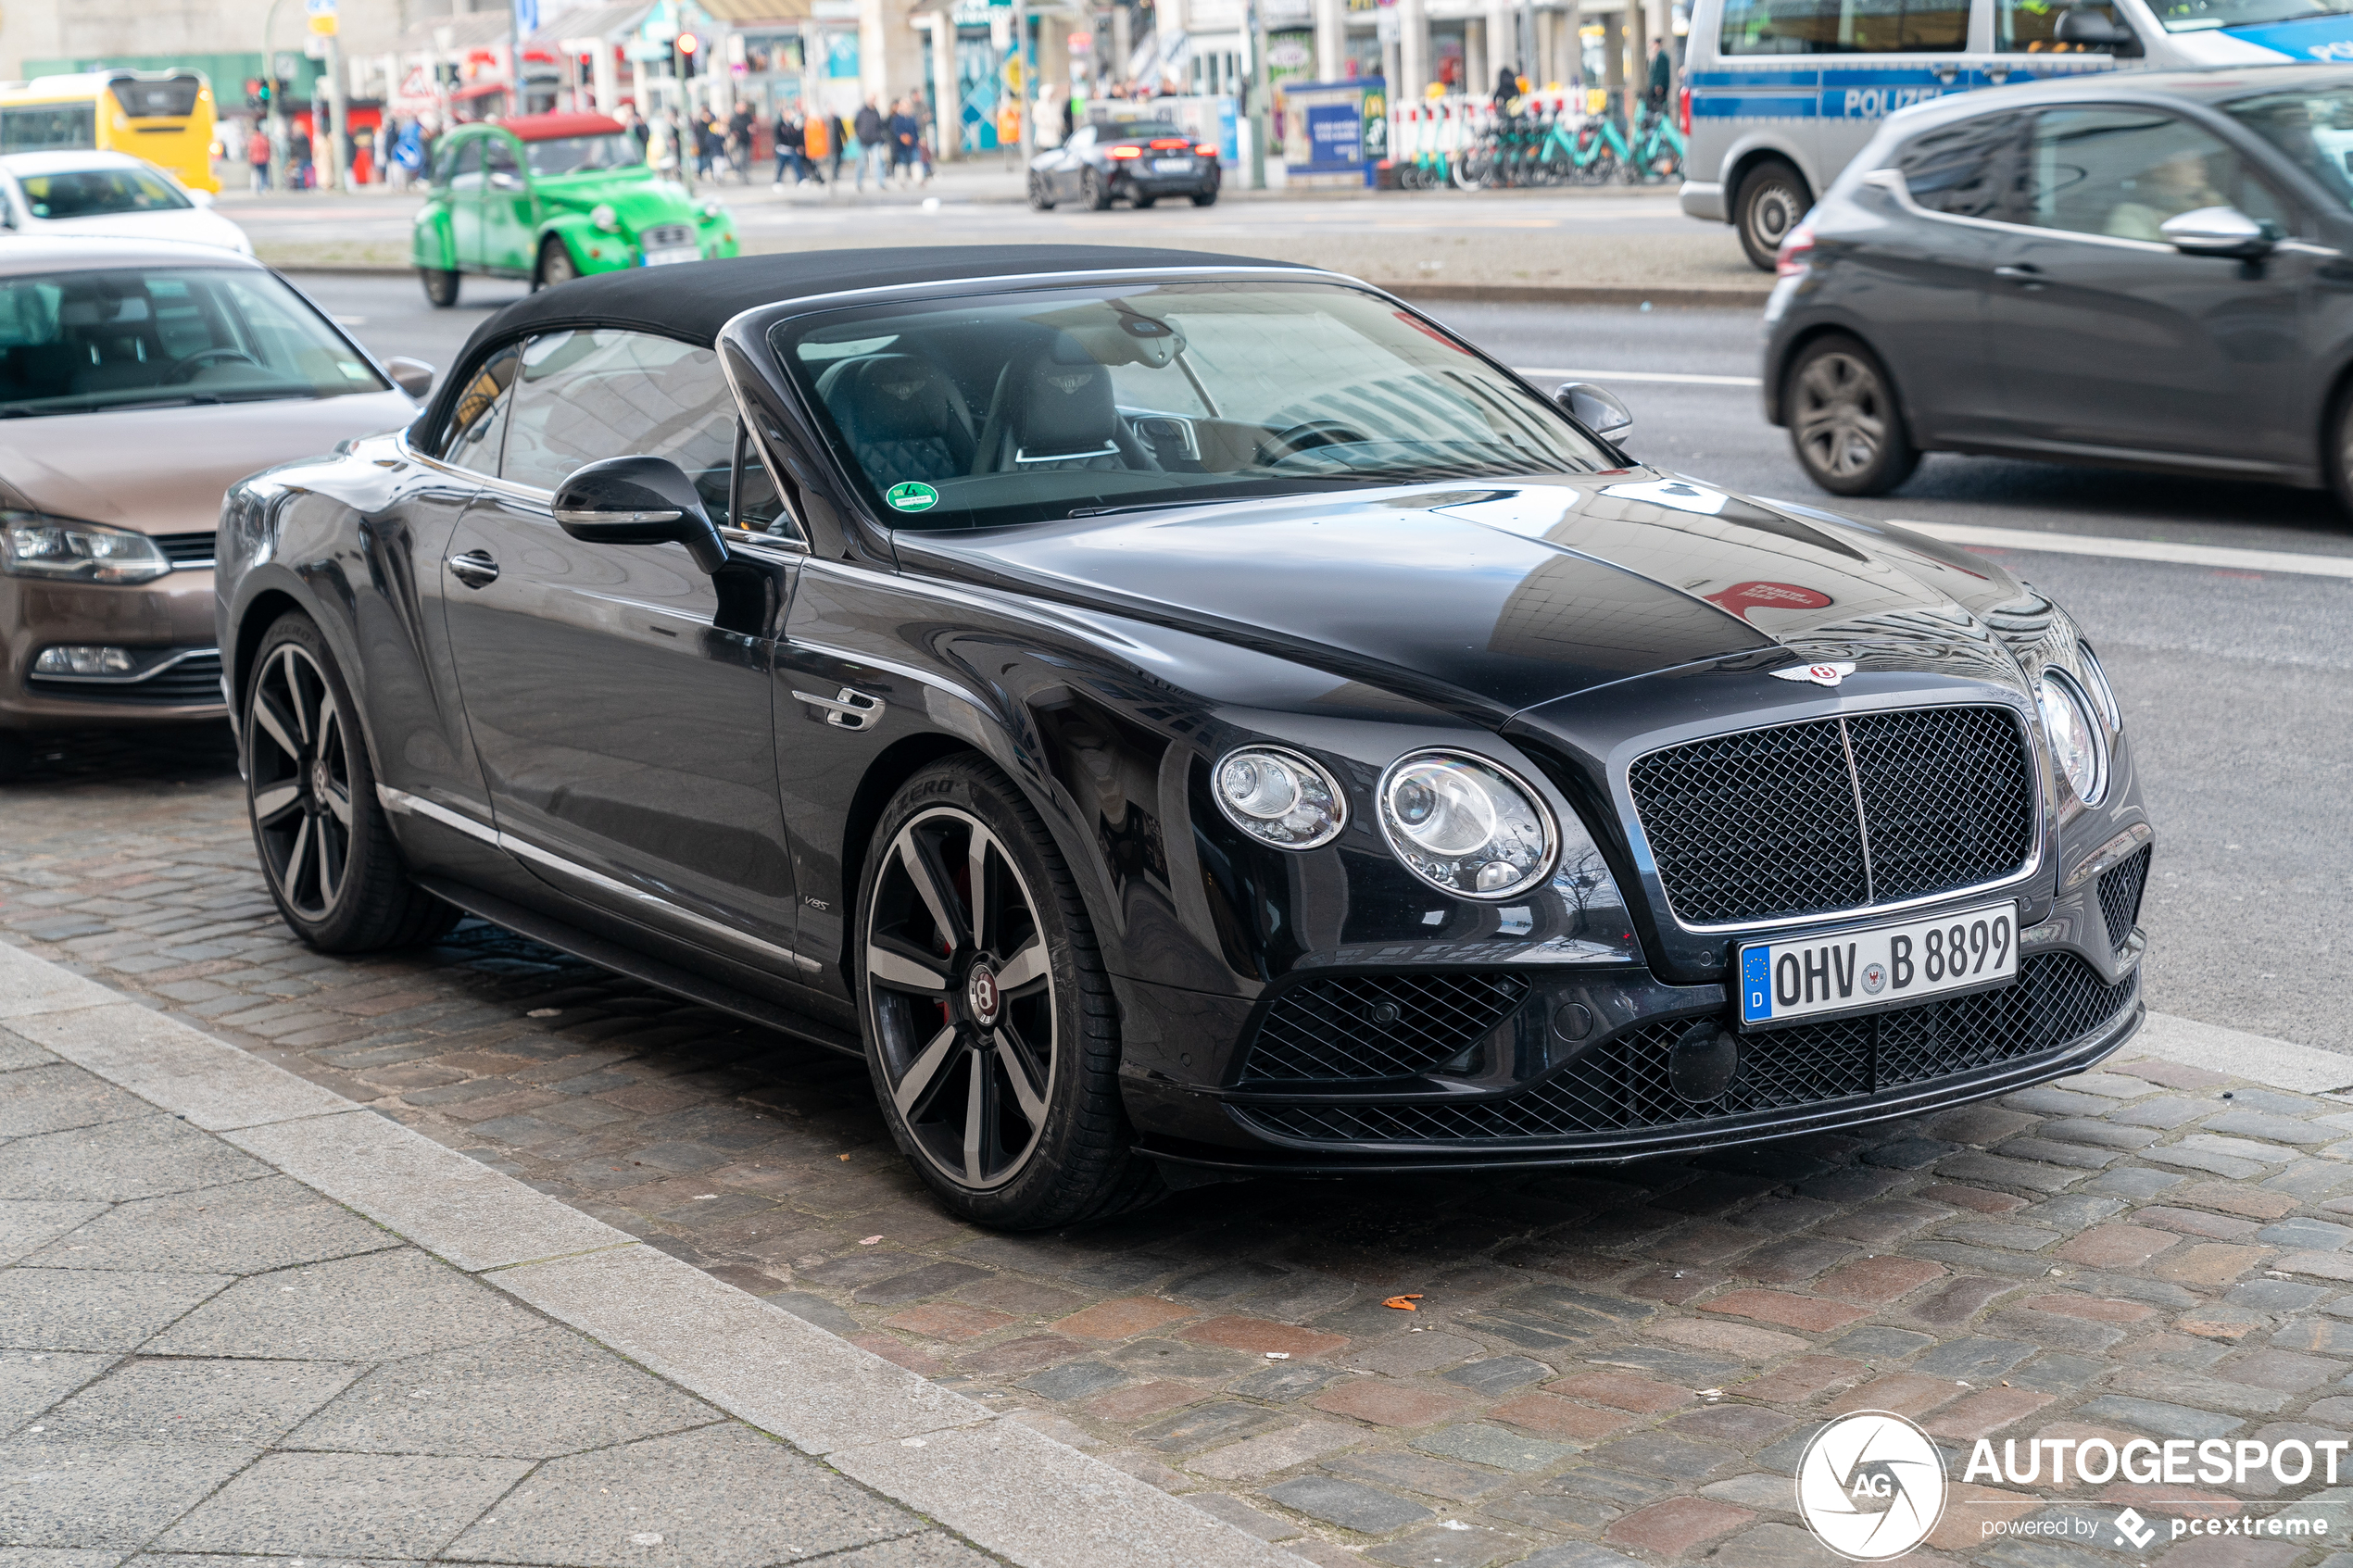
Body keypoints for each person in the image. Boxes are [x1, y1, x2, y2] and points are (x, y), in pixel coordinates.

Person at [854, 95, 887, 190]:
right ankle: (858, 183)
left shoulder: (876, 112)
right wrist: (860, 135)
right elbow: (856, 124)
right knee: (861, 163)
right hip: (863, 141)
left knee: (878, 161)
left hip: (875, 141)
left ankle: (880, 182)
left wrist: (879, 137)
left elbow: (880, 126)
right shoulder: (862, 112)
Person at [888, 97, 921, 186]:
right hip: (901, 145)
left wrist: (916, 139)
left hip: (912, 144)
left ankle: (918, 179)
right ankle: (901, 180)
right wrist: (902, 137)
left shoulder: (912, 117)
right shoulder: (897, 118)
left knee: (915, 161)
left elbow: (915, 130)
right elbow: (895, 131)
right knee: (901, 163)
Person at [773, 106, 806, 187]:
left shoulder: (793, 125)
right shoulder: (779, 125)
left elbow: (798, 135)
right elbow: (778, 137)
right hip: (782, 150)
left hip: (792, 149)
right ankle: (778, 181)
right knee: (781, 166)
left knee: (797, 164)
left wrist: (799, 145)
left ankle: (800, 180)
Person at [1646, 38, 1673, 112]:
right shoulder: (1655, 56)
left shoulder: (1662, 56)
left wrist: (1659, 85)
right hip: (1654, 85)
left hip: (1659, 87)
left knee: (1659, 105)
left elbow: (1662, 72)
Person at [246, 124, 271, 194]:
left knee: (256, 173)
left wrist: (250, 159)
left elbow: (250, 150)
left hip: (255, 159)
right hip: (264, 158)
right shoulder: (264, 138)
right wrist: (268, 157)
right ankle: (264, 188)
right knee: (263, 174)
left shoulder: (253, 139)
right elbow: (267, 148)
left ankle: (256, 188)